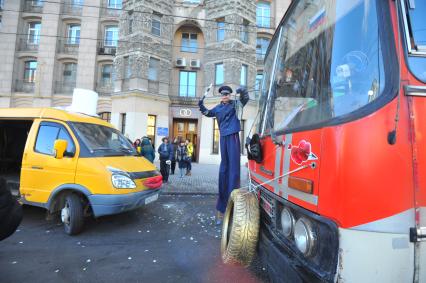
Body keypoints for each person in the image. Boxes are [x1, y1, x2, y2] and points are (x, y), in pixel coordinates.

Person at [198, 85, 249, 224]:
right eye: (223, 94)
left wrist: (242, 90)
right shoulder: (218, 108)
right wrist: (200, 103)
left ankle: (232, 207)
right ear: (221, 96)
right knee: (224, 170)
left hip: (232, 136)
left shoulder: (235, 105)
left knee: (234, 170)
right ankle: (222, 208)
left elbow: (246, 99)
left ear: (230, 95)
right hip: (223, 138)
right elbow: (207, 113)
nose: (225, 96)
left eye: (227, 94)